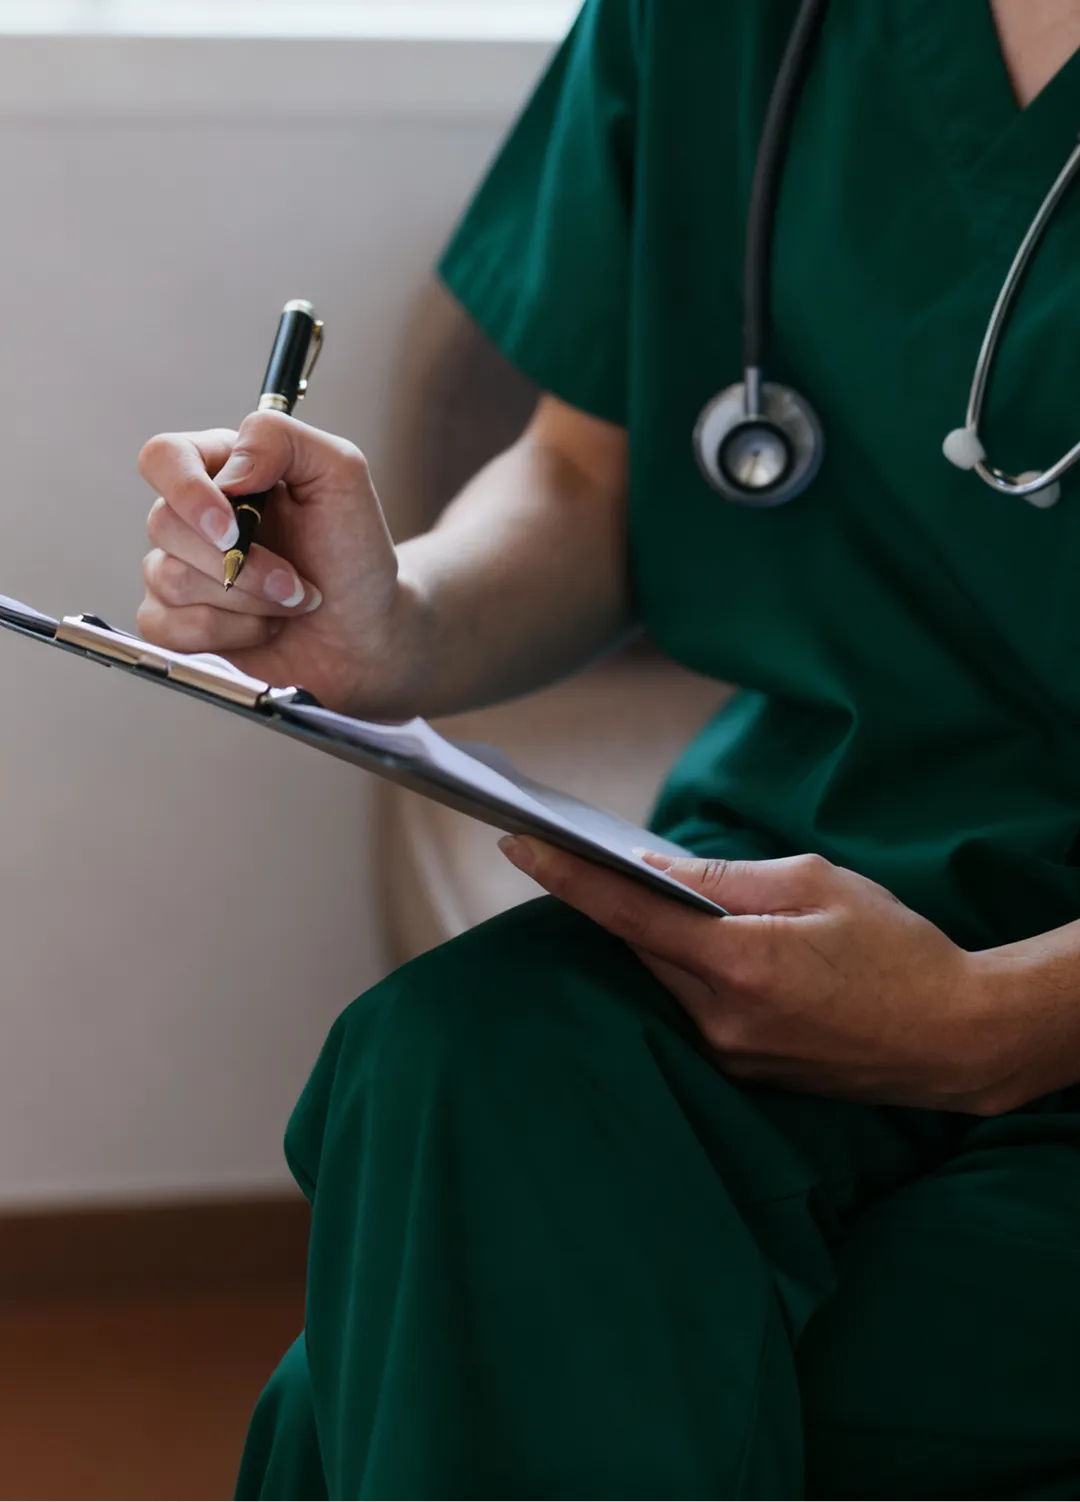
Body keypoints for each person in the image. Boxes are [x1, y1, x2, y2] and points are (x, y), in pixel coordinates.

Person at [136, 2, 1080, 1497]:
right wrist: (399, 624)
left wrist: (997, 1018)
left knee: (411, 1376)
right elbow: (588, 474)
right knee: (456, 1066)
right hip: (792, 903)